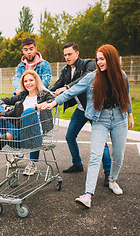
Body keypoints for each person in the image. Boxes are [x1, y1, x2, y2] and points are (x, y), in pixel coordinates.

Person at [43, 44, 134, 208]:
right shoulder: (92, 77)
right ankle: (88, 195)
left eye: (102, 59)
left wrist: (130, 115)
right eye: (97, 59)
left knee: (118, 155)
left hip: (120, 118)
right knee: (95, 156)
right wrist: (54, 102)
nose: (99, 62)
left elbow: (125, 95)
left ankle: (112, 180)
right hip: (100, 119)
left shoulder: (122, 75)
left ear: (111, 59)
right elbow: (72, 91)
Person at [48, 42, 112, 187]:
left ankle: (108, 173)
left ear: (77, 53)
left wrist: (67, 87)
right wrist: (44, 92)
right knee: (70, 136)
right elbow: (57, 85)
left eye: (69, 54)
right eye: (65, 55)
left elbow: (87, 78)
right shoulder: (65, 70)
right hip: (82, 109)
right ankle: (77, 164)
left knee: (101, 142)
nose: (67, 57)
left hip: (95, 109)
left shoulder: (88, 64)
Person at [0, 70, 54, 176]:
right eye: (25, 81)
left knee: (29, 112)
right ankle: (8, 116)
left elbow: (53, 102)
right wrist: (6, 108)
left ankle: (3, 139)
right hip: (18, 136)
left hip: (33, 136)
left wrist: (36, 107)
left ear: (36, 81)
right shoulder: (22, 96)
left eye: (31, 80)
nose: (28, 83)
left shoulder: (44, 95)